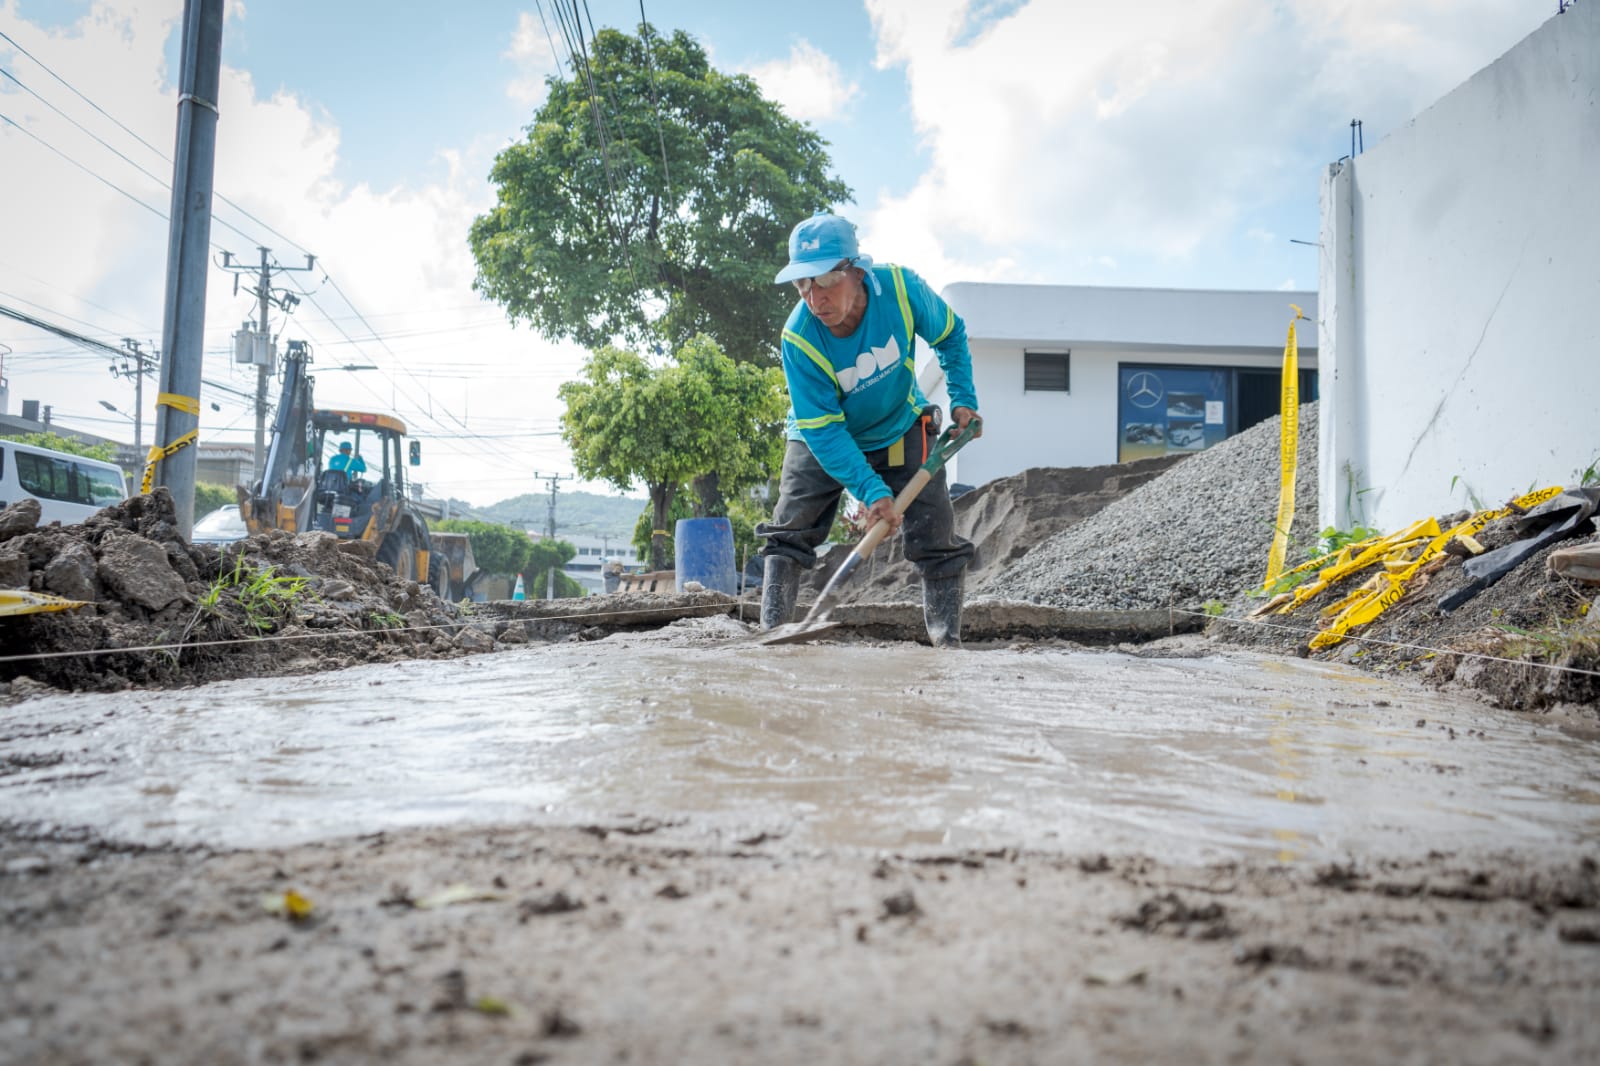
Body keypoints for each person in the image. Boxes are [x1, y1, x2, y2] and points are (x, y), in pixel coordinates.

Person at [757, 211, 982, 647]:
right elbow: (823, 430)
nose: (813, 298)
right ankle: (772, 635)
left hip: (898, 424)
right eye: (801, 285)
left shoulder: (901, 290)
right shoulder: (798, 339)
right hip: (822, 436)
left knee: (935, 531)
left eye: (823, 281)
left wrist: (963, 399)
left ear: (856, 272)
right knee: (790, 529)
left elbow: (951, 335)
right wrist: (871, 490)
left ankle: (946, 641)